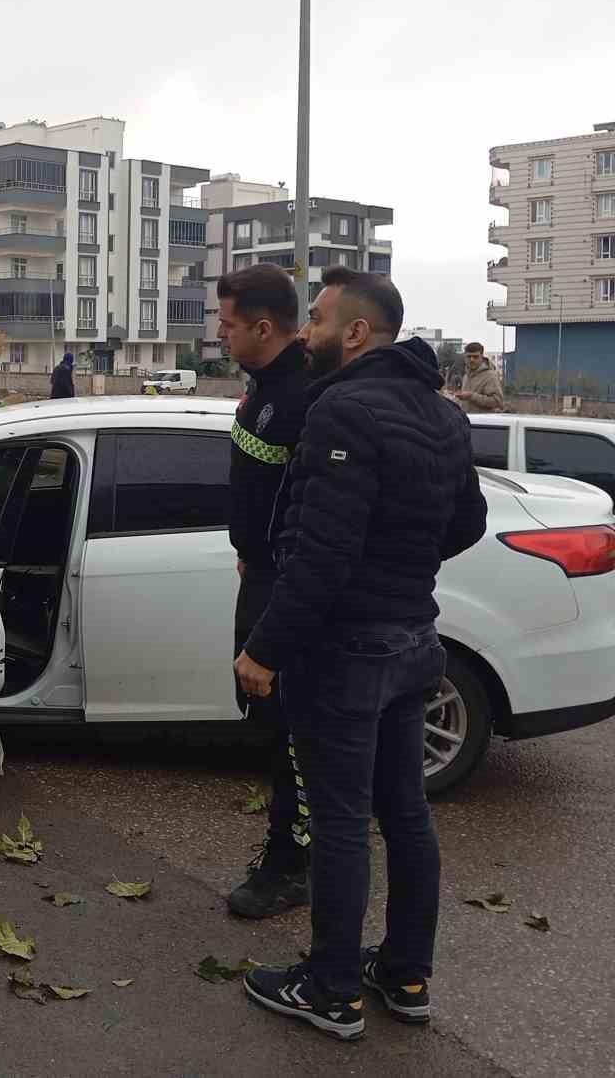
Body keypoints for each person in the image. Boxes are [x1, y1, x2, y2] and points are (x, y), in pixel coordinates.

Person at [237, 268, 487, 1041]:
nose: (305, 333)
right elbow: (467, 521)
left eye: (315, 320)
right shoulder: (443, 415)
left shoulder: (342, 406)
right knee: (406, 816)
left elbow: (320, 552)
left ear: (354, 332)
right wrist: (404, 561)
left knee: (342, 823)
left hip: (347, 652)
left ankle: (333, 989)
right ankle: (406, 974)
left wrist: (263, 651)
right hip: (416, 638)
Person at [215, 264, 313, 920]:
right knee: (269, 730)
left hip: (285, 587)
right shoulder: (263, 389)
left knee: (292, 738)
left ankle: (292, 866)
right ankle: (287, 850)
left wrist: (272, 566)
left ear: (262, 326)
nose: (218, 334)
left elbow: (312, 511)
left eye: (226, 324)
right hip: (259, 575)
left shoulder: (307, 395)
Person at [452, 342, 504, 413]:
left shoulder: (490, 376)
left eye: (475, 357)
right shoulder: (466, 376)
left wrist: (471, 396)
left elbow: (498, 402)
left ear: (482, 357)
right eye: (469, 356)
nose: (472, 360)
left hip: (483, 422)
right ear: (464, 358)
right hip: (468, 421)